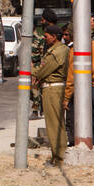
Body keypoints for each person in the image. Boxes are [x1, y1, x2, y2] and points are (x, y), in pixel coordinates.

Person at [65, 18, 94, 148]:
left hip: (79, 91)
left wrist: (66, 97)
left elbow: (72, 75)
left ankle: (79, 147)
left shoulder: (75, 50)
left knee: (76, 122)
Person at [34, 24, 69, 166]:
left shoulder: (58, 52)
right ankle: (57, 156)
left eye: (47, 36)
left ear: (54, 37)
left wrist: (29, 68)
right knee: (56, 123)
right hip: (52, 89)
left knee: (54, 124)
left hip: (53, 90)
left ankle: (59, 157)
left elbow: (42, 71)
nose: (44, 38)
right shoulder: (57, 50)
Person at [30, 8, 57, 119]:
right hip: (39, 67)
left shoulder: (51, 34)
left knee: (38, 89)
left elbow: (44, 55)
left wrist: (40, 70)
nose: (41, 22)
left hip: (46, 67)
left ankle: (38, 110)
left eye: (43, 20)